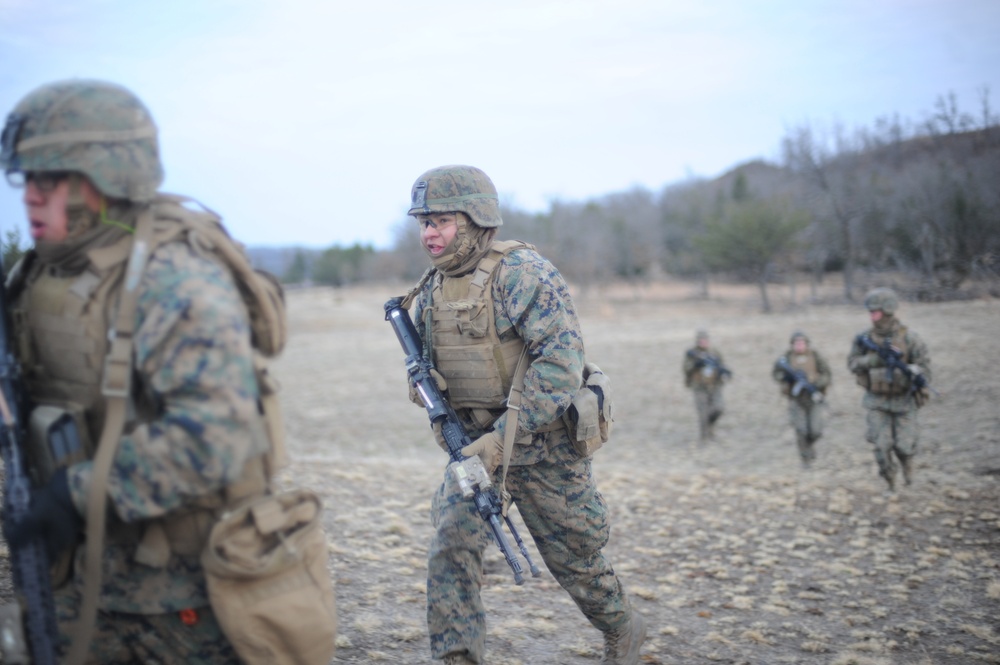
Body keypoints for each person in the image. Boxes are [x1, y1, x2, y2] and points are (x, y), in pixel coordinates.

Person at [0, 79, 333, 664]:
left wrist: (76, 495)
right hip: (83, 580)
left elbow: (217, 434)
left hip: (187, 596)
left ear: (105, 179)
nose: (31, 197)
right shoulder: (36, 276)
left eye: (49, 179)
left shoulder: (173, 274)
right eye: (26, 180)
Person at [397, 165, 646, 665]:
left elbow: (559, 367)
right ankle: (458, 655)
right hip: (473, 450)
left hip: (544, 445)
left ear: (474, 220)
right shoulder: (429, 291)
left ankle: (623, 629)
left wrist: (502, 439)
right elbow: (424, 373)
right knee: (452, 544)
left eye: (441, 221)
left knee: (575, 560)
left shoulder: (523, 274)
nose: (430, 233)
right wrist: (433, 404)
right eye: (424, 222)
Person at [847, 287, 932, 492]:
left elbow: (925, 367)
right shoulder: (863, 339)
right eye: (870, 312)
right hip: (876, 400)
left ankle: (907, 467)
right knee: (880, 446)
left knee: (903, 446)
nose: (871, 316)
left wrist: (916, 373)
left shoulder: (910, 338)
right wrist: (874, 360)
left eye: (875, 311)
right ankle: (890, 482)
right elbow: (852, 364)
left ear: (887, 310)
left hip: (904, 400)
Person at [772, 331, 831, 468]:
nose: (799, 345)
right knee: (801, 430)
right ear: (792, 345)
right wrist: (786, 378)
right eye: (796, 343)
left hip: (813, 398)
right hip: (796, 400)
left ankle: (810, 446)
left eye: (802, 342)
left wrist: (816, 384)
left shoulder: (815, 356)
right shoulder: (786, 358)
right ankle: (806, 459)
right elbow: (776, 373)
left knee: (816, 430)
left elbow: (826, 374)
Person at [682, 330, 730, 442]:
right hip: (699, 386)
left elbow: (721, 365)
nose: (703, 342)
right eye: (701, 340)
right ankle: (705, 436)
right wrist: (695, 364)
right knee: (702, 413)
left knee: (718, 408)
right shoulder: (692, 353)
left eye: (705, 340)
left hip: (714, 385)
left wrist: (724, 373)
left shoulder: (714, 352)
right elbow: (686, 369)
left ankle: (711, 425)